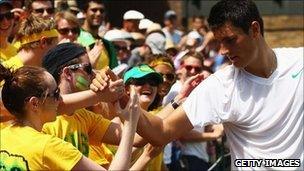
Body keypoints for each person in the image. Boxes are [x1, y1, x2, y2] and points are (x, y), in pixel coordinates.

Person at [92, 0, 304, 170]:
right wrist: (120, 96)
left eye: (230, 40)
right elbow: (162, 132)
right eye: (219, 42)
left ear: (255, 30)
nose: (222, 51)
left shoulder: (299, 62)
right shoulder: (220, 86)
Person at [0, 63, 140, 170]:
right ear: (34, 104)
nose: (61, 99)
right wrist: (130, 123)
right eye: (55, 94)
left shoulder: (3, 135)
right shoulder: (49, 146)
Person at [77, 0, 118, 70]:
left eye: (102, 11)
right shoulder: (74, 36)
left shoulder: (108, 45)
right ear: (84, 13)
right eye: (94, 10)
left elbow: (114, 71)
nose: (98, 14)